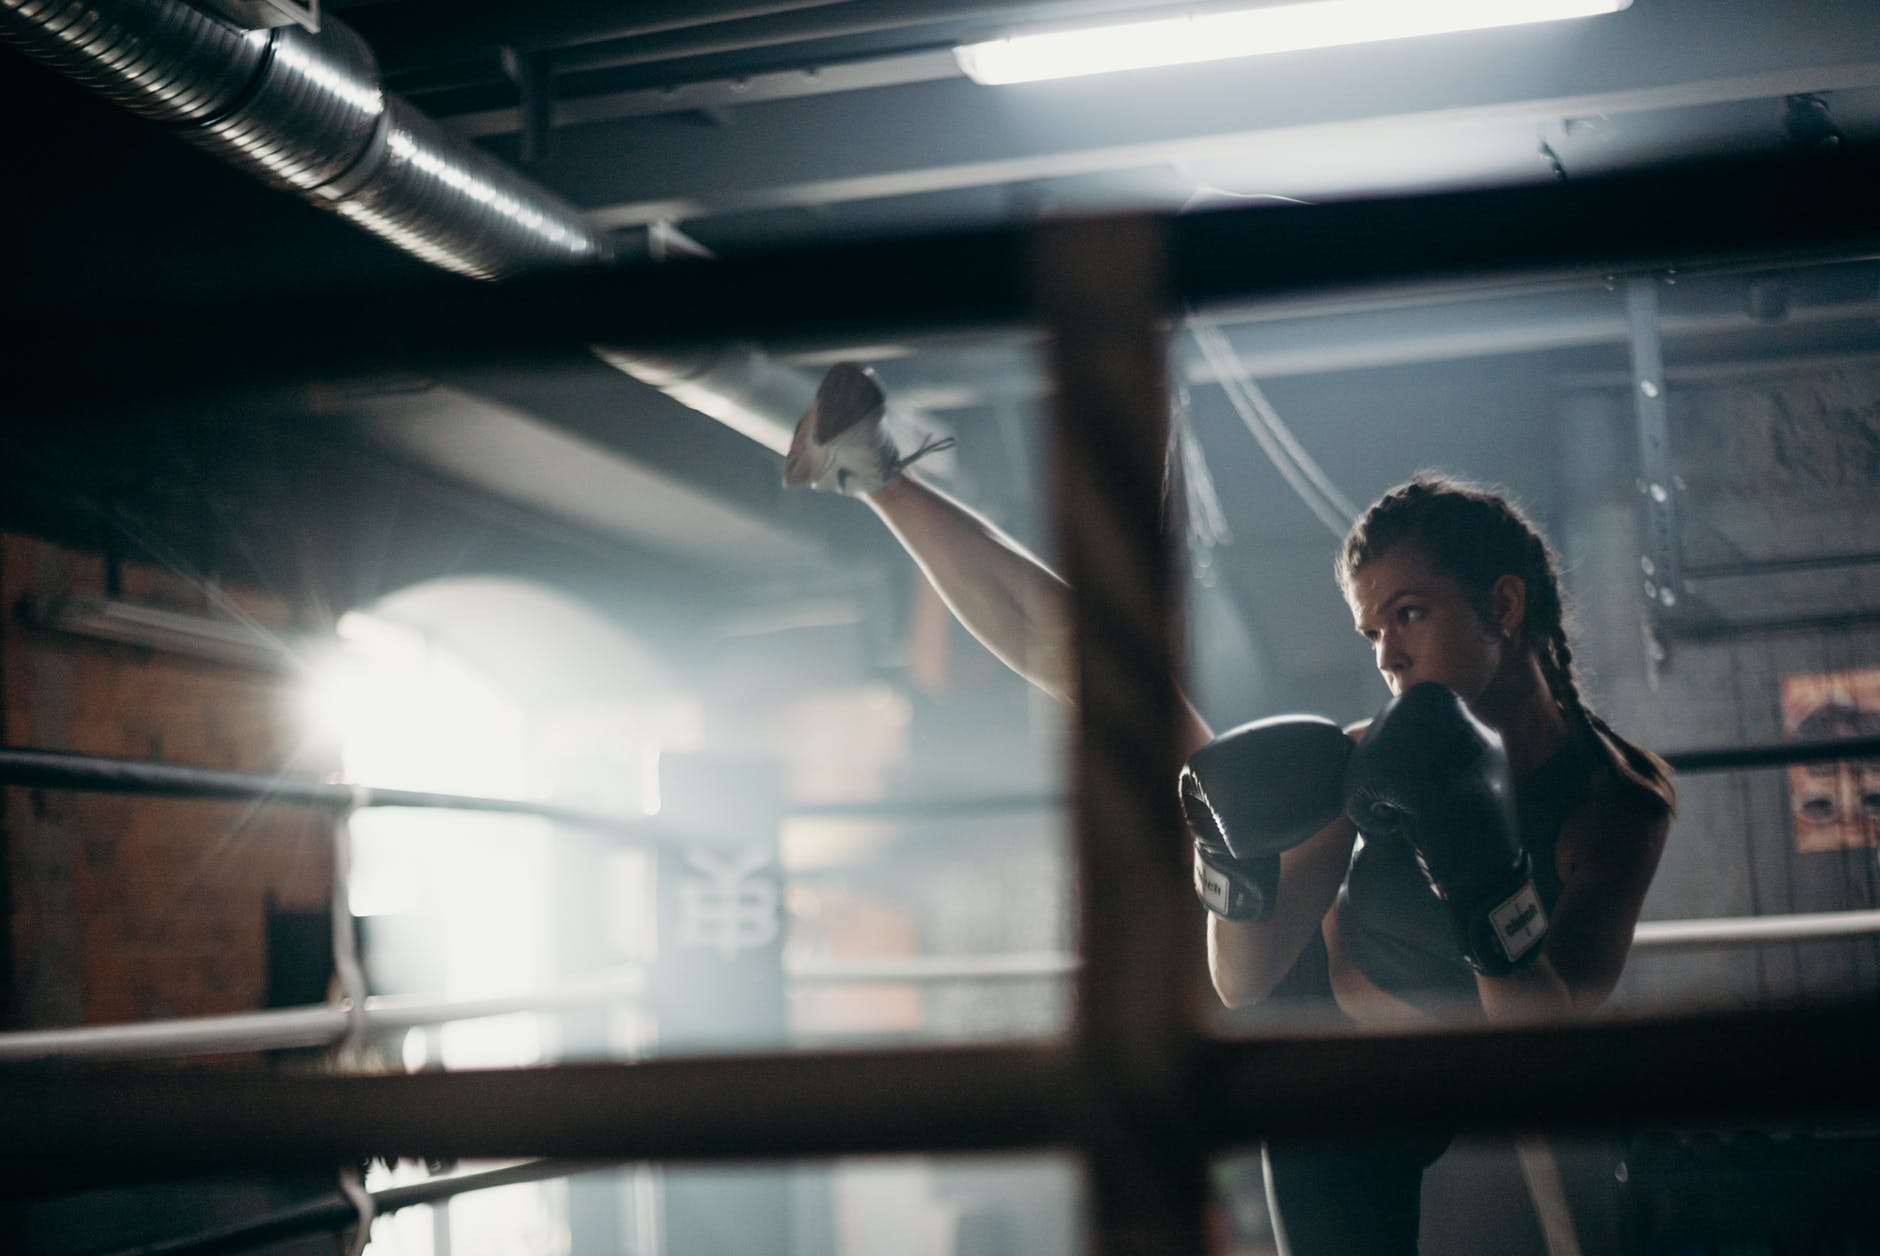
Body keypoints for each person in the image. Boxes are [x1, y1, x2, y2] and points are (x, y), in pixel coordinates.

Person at [783, 360, 1675, 1254]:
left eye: (1409, 615)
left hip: (1446, 1084)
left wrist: (1478, 881)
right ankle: (873, 472)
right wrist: (1232, 861)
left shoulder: (1615, 804)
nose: (1389, 659)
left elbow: (1543, 1046)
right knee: (1129, 690)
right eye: (1373, 634)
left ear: (1505, 604)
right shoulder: (1373, 755)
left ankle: (871, 474)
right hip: (1313, 1044)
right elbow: (1246, 983)